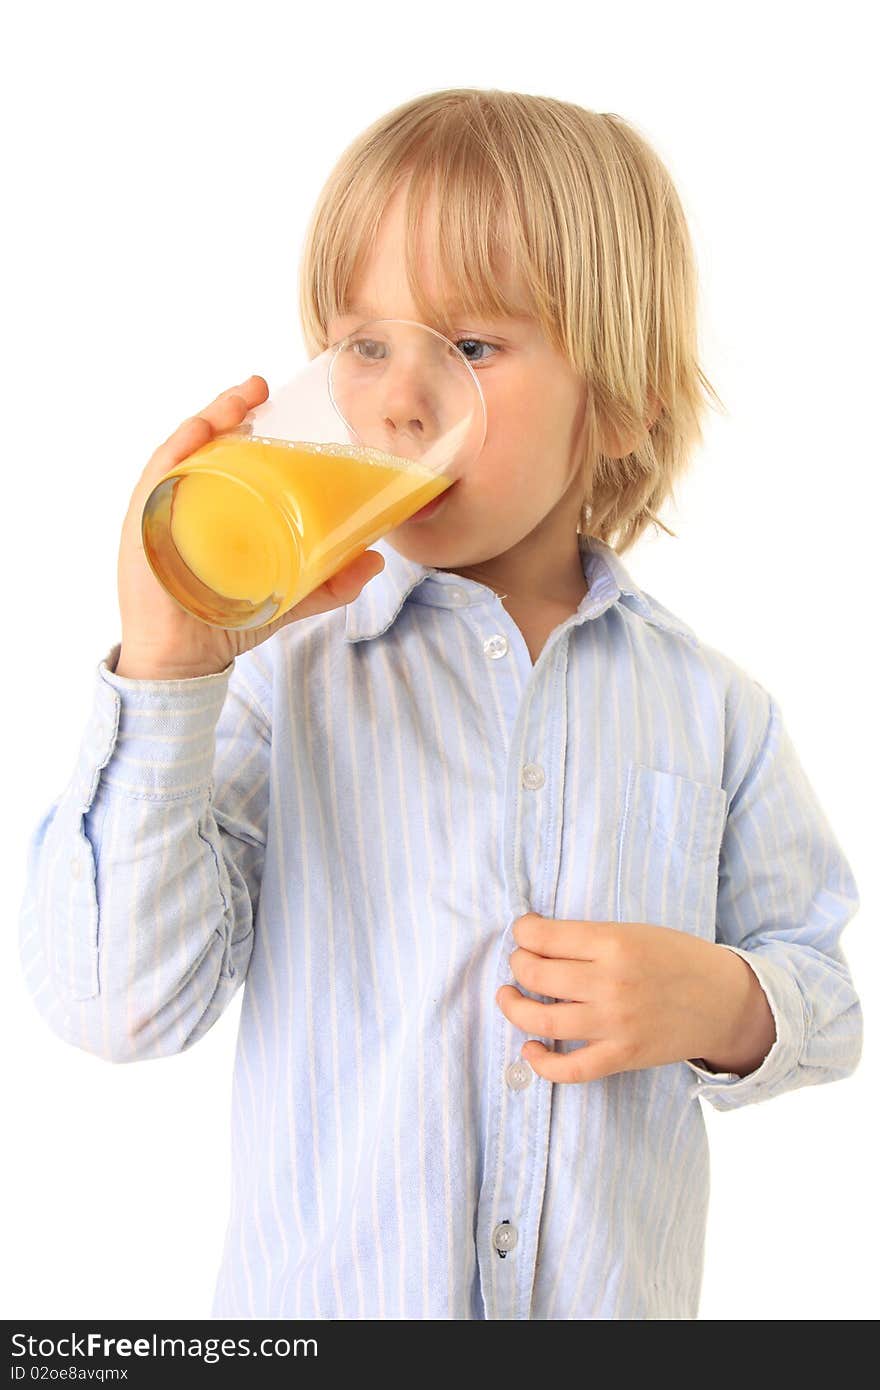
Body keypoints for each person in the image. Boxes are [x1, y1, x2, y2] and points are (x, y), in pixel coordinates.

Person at [18, 87, 862, 1321]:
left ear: (618, 402)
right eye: (365, 344)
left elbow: (824, 996)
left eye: (470, 347)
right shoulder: (277, 682)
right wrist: (167, 660)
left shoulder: (710, 706)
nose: (404, 399)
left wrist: (722, 1002)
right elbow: (116, 1004)